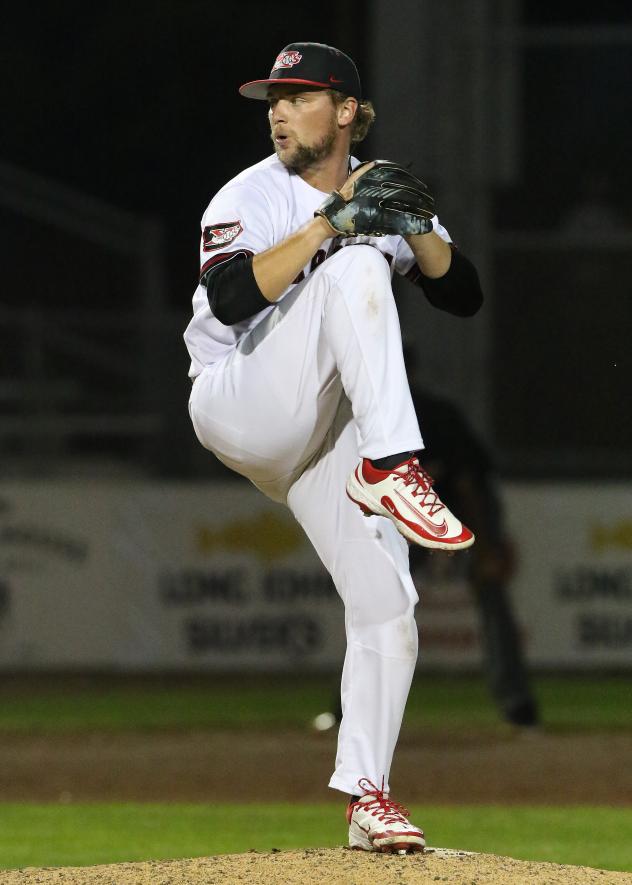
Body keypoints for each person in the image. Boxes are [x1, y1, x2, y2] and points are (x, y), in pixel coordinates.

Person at [184, 42, 483, 854]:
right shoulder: (252, 192)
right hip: (239, 398)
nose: (278, 111)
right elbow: (232, 294)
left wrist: (417, 226)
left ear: (347, 110)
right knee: (353, 271)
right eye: (271, 99)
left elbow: (462, 293)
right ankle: (394, 465)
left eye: (299, 95)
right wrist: (332, 222)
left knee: (391, 606)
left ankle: (368, 795)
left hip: (323, 430)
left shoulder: (376, 185)